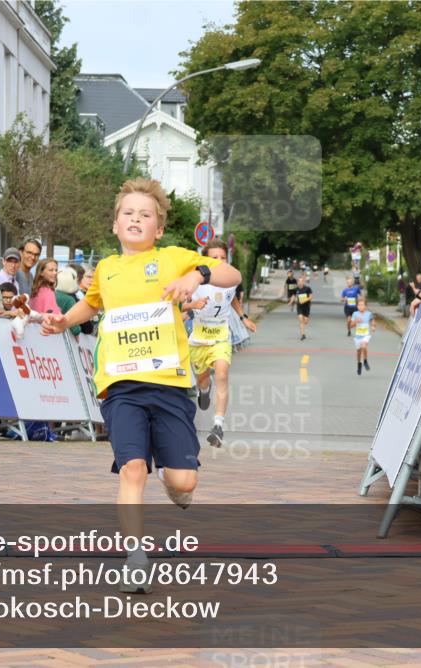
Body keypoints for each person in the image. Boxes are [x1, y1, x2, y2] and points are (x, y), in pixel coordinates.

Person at [39, 178, 241, 593]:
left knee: (184, 483)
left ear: (159, 229)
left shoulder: (172, 259)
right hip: (121, 385)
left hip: (170, 387)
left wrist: (198, 274)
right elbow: (91, 302)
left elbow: (230, 272)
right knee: (132, 469)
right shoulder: (108, 270)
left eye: (145, 215)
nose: (135, 219)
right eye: (128, 213)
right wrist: (64, 320)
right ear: (115, 225)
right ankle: (135, 558)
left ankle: (173, 479)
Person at [182, 238, 256, 448]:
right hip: (198, 338)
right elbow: (181, 305)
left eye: (223, 257)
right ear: (205, 259)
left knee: (222, 374)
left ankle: (218, 426)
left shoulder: (229, 279)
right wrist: (193, 305)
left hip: (221, 335)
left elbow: (231, 298)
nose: (220, 261)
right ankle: (204, 390)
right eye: (214, 258)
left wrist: (243, 318)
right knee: (203, 379)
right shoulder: (194, 280)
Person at [350, 295, 376, 375]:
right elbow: (351, 325)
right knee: (358, 351)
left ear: (365, 306)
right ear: (357, 306)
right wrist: (355, 321)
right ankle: (359, 364)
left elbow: (373, 321)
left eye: (362, 305)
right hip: (358, 336)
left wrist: (373, 326)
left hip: (366, 335)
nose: (361, 307)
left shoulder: (368, 314)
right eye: (359, 305)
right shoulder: (355, 314)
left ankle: (365, 361)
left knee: (364, 346)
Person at [290, 274, 313, 340]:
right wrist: (291, 302)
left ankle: (305, 322)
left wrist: (304, 300)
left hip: (306, 307)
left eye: (301, 281)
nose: (300, 282)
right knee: (301, 320)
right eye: (299, 281)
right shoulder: (296, 289)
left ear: (303, 282)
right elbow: (293, 296)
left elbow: (311, 297)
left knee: (305, 321)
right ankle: (303, 335)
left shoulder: (308, 289)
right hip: (299, 306)